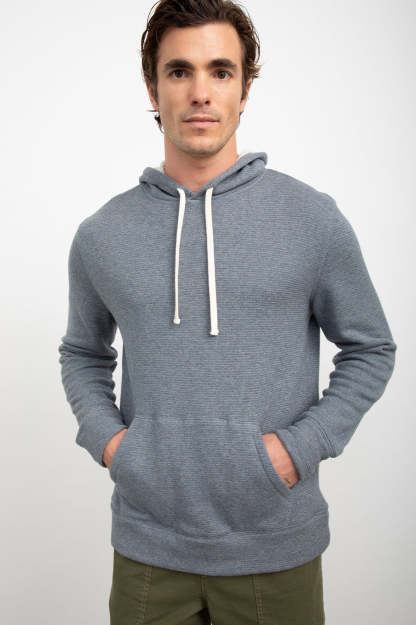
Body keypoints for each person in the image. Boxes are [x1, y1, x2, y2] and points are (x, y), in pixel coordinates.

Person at [58, 1, 397, 623]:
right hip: (148, 548)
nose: (200, 93)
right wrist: (111, 444)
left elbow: (370, 347)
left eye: (220, 71)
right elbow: (82, 352)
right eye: (179, 71)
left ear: (245, 88)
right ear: (153, 88)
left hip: (277, 544)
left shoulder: (310, 219)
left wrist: (300, 448)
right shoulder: (102, 234)